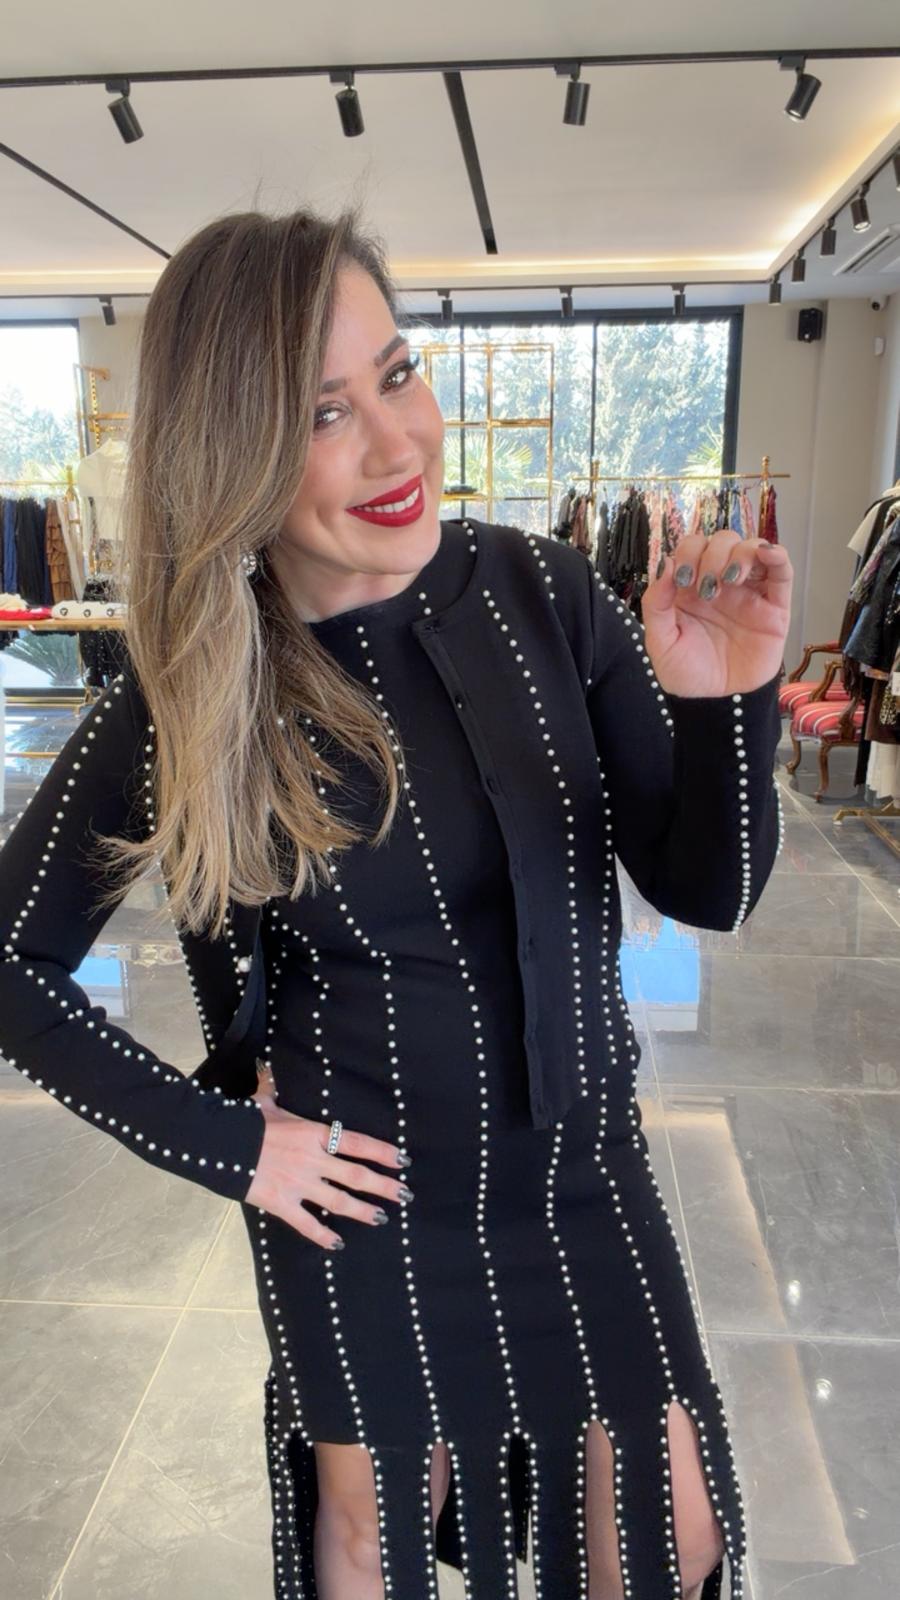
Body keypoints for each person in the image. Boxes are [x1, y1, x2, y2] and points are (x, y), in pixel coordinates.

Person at [0, 205, 792, 1600]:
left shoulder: (548, 593)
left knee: (667, 1542)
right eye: (323, 413)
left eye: (398, 375)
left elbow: (708, 890)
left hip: (584, 1173)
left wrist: (726, 705)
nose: (396, 442)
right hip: (364, 1208)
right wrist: (230, 1147)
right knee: (380, 1548)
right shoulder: (199, 686)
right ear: (235, 452)